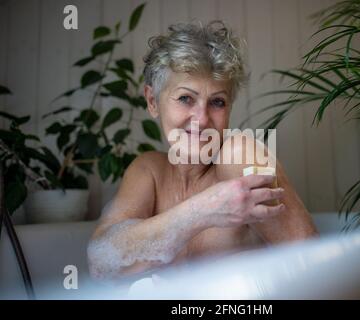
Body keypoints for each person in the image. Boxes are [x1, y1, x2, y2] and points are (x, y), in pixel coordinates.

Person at [87, 20, 318, 281]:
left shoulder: (239, 155)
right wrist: (203, 211)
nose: (202, 119)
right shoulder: (149, 170)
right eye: (186, 98)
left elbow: (313, 268)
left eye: (217, 102)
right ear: (152, 101)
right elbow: (101, 264)